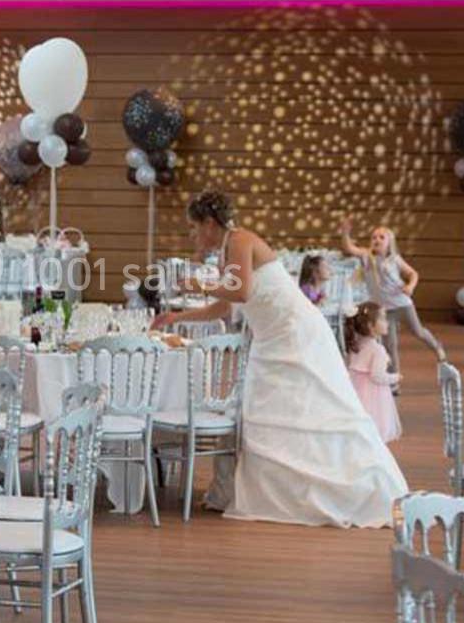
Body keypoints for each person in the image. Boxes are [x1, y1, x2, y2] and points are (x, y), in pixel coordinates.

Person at [153, 190, 407, 528]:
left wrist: (199, 283)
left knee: (317, 408)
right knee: (271, 412)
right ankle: (288, 491)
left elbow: (241, 291)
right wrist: (176, 318)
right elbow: (228, 307)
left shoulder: (239, 240)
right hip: (273, 338)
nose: (192, 235)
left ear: (210, 224)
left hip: (295, 333)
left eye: (193, 227)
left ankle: (350, 489)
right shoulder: (228, 250)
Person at [339, 219, 446, 377]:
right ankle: (394, 377)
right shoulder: (366, 256)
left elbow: (413, 274)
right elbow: (349, 247)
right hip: (384, 309)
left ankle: (437, 347)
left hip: (402, 304)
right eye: (374, 237)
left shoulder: (394, 259)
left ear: (390, 243)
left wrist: (410, 286)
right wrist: (345, 233)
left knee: (418, 332)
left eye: (382, 237)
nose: (377, 240)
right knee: (390, 344)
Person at [344, 302, 402, 443]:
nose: (387, 322)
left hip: (355, 391)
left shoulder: (356, 345)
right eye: (383, 318)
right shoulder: (377, 350)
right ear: (371, 326)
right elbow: (378, 376)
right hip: (373, 396)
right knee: (376, 426)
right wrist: (395, 377)